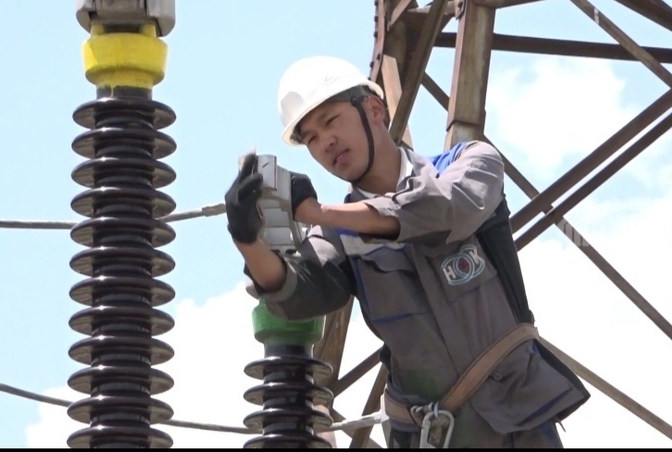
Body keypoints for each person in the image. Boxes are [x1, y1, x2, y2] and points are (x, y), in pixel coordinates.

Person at [224, 56, 590, 448]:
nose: (325, 142)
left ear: (374, 109)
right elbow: (298, 292)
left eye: (331, 121)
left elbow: (444, 209)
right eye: (311, 138)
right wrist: (247, 240)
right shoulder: (336, 234)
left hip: (516, 423)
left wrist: (317, 211)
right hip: (429, 436)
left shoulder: (468, 163)